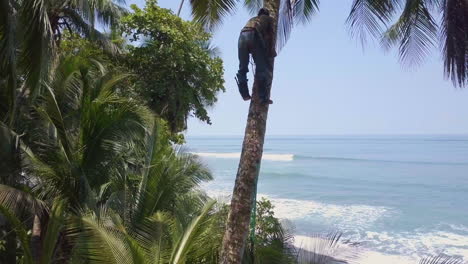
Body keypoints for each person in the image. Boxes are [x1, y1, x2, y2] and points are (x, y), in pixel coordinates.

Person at [236, 8, 276, 104]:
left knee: (242, 68)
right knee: (261, 69)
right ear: (267, 14)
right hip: (254, 34)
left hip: (242, 36)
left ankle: (244, 94)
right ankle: (263, 98)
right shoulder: (269, 19)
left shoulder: (252, 19)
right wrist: (271, 51)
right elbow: (271, 35)